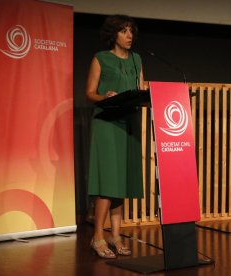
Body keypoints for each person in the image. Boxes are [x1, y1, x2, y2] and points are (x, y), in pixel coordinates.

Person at [85, 14, 144, 259]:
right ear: (114, 35)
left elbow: (141, 88)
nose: (129, 36)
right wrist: (104, 97)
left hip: (129, 122)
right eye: (124, 31)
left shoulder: (137, 59)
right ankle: (98, 235)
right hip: (107, 123)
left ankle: (116, 235)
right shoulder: (101, 58)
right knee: (109, 180)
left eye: (131, 31)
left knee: (122, 181)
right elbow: (89, 93)